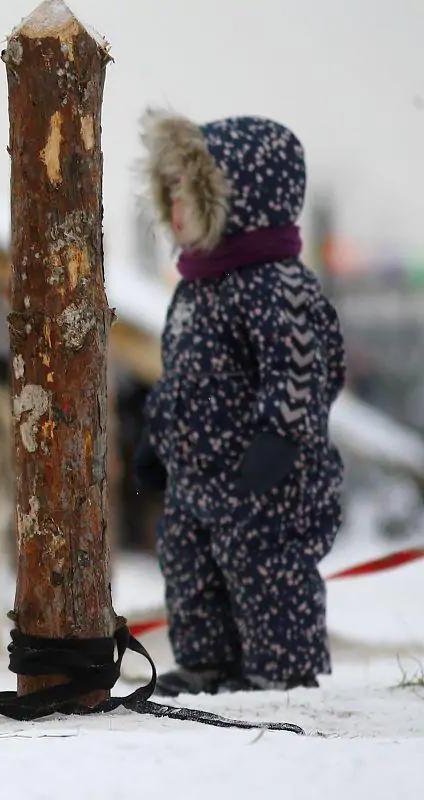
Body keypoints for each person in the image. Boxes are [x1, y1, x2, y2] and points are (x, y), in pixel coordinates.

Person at [134, 111, 345, 695]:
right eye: (169, 193)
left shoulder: (277, 285)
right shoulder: (194, 288)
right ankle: (208, 660)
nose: (175, 209)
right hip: (197, 478)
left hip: (266, 478)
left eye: (189, 195)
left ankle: (282, 667)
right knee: (187, 562)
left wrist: (280, 437)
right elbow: (177, 379)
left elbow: (299, 367)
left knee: (265, 567)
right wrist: (155, 439)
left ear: (237, 200)